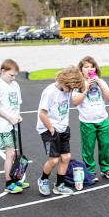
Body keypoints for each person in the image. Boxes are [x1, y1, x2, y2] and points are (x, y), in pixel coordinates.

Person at [37, 67, 84, 196]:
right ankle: (43, 180)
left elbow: (75, 99)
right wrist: (51, 129)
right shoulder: (50, 92)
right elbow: (42, 113)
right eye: (70, 88)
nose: (70, 91)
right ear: (64, 81)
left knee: (66, 157)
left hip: (63, 127)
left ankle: (59, 185)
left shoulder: (68, 89)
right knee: (54, 160)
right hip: (49, 129)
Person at [72, 56, 109, 180]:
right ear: (81, 70)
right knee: (88, 147)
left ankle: (106, 169)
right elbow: (75, 102)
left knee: (105, 145)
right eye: (86, 67)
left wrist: (99, 83)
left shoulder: (101, 81)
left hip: (102, 119)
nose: (89, 69)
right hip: (87, 121)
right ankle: (90, 171)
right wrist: (86, 89)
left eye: (92, 66)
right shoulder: (78, 84)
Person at [0, 59, 25, 194]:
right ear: (2, 71)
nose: (13, 78)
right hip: (4, 125)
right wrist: (10, 118)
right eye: (11, 75)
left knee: (15, 154)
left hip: (13, 124)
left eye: (15, 76)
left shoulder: (15, 85)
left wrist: (18, 116)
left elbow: (17, 104)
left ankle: (16, 179)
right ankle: (9, 182)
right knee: (9, 154)